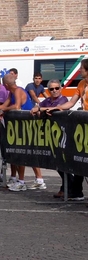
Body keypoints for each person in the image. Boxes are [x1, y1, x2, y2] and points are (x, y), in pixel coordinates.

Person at [46, 58, 88, 201]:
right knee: (79, 158)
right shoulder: (81, 84)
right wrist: (57, 108)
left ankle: (76, 190)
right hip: (84, 126)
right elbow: (71, 102)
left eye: (81, 68)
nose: (80, 70)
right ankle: (76, 191)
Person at [0, 73, 37, 192]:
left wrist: (4, 109)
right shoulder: (11, 92)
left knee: (22, 154)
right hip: (16, 126)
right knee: (15, 153)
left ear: (5, 85)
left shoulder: (18, 91)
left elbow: (17, 106)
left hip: (26, 125)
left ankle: (22, 182)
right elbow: (4, 105)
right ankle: (16, 179)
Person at [30, 79, 72, 198]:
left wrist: (39, 109)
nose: (54, 91)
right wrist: (39, 109)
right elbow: (39, 106)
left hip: (63, 136)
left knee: (65, 165)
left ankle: (68, 189)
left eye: (56, 88)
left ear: (60, 89)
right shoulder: (47, 100)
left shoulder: (63, 99)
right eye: (51, 89)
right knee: (58, 164)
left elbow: (56, 108)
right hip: (51, 137)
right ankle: (65, 188)